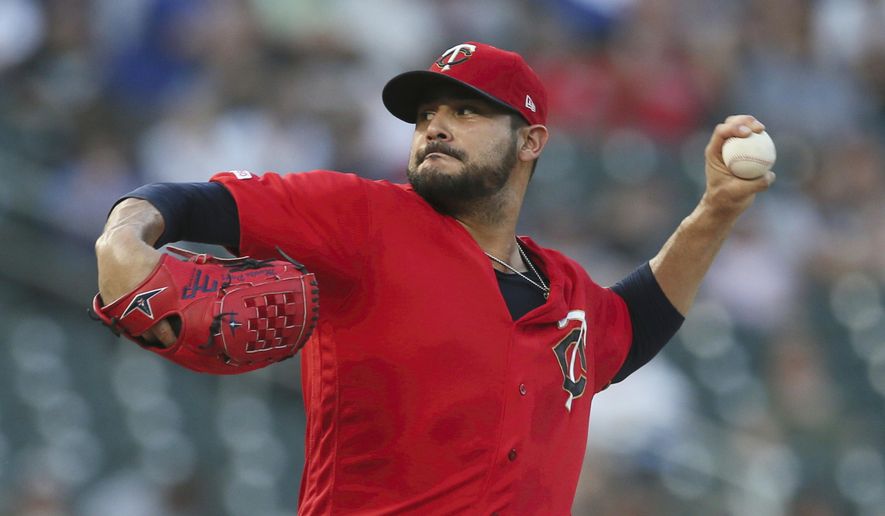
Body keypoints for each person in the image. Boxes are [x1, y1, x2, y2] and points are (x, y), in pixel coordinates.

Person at [94, 42, 774, 514]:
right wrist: (128, 228)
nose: (436, 128)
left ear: (530, 141)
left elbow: (633, 327)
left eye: (466, 112)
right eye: (426, 116)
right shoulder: (363, 219)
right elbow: (204, 200)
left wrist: (716, 209)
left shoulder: (562, 288)